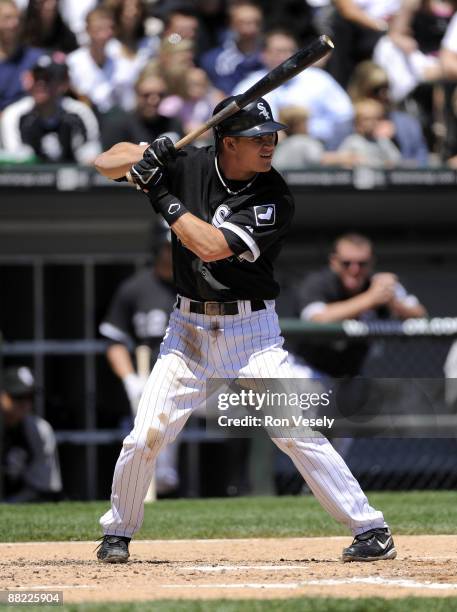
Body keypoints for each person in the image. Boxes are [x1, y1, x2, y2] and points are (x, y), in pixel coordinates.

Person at [93, 95, 397, 565]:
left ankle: (370, 528)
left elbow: (211, 246)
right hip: (188, 330)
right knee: (146, 432)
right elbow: (104, 163)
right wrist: (149, 155)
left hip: (251, 332)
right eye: (258, 138)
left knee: (295, 430)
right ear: (227, 141)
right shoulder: (188, 164)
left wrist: (159, 194)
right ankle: (118, 533)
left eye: (272, 136)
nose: (269, 144)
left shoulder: (274, 195)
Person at [99, 221, 180, 495]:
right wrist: (130, 380)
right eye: (170, 246)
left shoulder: (198, 285)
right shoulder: (135, 289)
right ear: (158, 248)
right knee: (153, 430)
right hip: (155, 377)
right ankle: (150, 487)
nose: (175, 252)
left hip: (201, 373)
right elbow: (114, 341)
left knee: (247, 407)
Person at [297, 232, 427, 378]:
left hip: (353, 373)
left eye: (362, 263)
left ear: (371, 262)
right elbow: (316, 318)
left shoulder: (379, 284)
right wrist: (370, 299)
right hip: (310, 370)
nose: (354, 270)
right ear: (334, 261)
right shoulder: (318, 283)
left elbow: (420, 315)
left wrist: (393, 302)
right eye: (347, 263)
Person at [233, 28, 353, 149]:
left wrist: (308, 130)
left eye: (289, 51)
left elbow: (344, 116)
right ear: (263, 54)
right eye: (278, 51)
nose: (284, 56)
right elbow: (236, 123)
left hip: (316, 149)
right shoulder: (248, 85)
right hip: (264, 150)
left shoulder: (319, 79)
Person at [1, 54, 101, 163]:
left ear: (62, 84)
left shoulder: (79, 113)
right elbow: (16, 160)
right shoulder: (14, 114)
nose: (41, 84)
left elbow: (91, 158)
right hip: (27, 178)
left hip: (73, 178)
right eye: (37, 77)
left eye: (48, 78)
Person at [347, 61, 429, 165]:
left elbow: (421, 162)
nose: (383, 94)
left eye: (386, 88)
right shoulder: (346, 124)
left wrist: (395, 136)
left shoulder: (408, 124)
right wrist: (368, 133)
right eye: (376, 90)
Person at [1, 366, 62, 502]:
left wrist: (10, 504)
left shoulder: (39, 430)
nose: (25, 404)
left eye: (29, 397)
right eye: (18, 396)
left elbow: (44, 488)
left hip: (15, 499)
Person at [100, 71, 182, 150]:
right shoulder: (118, 125)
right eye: (146, 95)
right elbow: (108, 159)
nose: (154, 100)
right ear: (136, 94)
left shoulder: (172, 125)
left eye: (160, 95)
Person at [199, 1, 264, 94]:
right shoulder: (215, 60)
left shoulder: (269, 55)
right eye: (244, 23)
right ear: (232, 25)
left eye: (256, 23)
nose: (251, 29)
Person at [0, 0, 43, 111]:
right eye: (7, 18)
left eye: (18, 18)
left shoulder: (36, 59)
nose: (15, 23)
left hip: (24, 123)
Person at [338, 98, 402, 167]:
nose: (372, 123)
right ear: (357, 122)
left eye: (376, 118)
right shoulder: (352, 141)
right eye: (367, 119)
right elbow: (341, 161)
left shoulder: (383, 142)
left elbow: (396, 160)